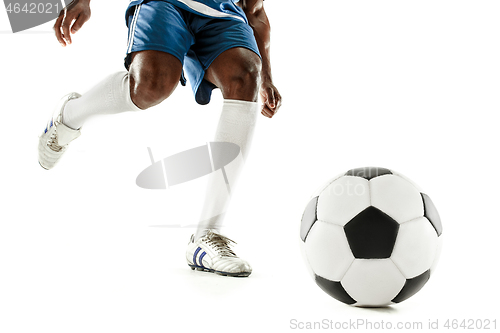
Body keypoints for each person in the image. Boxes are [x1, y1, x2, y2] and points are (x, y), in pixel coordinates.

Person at [38, 0, 282, 277]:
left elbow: (255, 10)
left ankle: (207, 235)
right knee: (150, 86)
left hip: (222, 11)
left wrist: (267, 77)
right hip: (164, 2)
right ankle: (70, 116)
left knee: (247, 73)